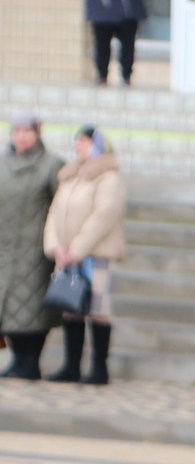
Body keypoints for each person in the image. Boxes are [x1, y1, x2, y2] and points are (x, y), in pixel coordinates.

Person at [41, 125, 126, 386]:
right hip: (68, 257)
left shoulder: (109, 179)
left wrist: (77, 250)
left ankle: (99, 368)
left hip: (95, 256)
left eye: (85, 141)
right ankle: (71, 366)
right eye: (77, 141)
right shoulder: (70, 177)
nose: (78, 145)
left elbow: (103, 217)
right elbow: (54, 213)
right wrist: (56, 248)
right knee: (72, 310)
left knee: (98, 310)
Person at [1, 113, 64, 379]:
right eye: (17, 131)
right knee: (8, 305)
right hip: (5, 247)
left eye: (27, 131)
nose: (22, 136)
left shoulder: (51, 165)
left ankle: (30, 360)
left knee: (34, 307)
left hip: (36, 249)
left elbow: (63, 205)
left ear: (38, 133)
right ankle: (17, 359)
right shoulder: (3, 164)